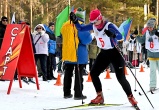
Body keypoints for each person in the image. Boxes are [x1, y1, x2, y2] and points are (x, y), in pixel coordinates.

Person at [70, 9, 138, 106]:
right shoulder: (93, 25)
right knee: (93, 73)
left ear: (100, 18)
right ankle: (99, 96)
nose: (94, 24)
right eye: (92, 22)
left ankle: (131, 97)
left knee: (120, 77)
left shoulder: (109, 25)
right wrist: (75, 21)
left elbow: (120, 36)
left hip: (115, 53)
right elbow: (80, 28)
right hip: (104, 53)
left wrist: (113, 35)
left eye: (95, 21)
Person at [61, 7, 92, 100]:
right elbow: (87, 40)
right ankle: (78, 93)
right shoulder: (81, 26)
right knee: (78, 74)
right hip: (79, 54)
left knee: (68, 74)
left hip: (67, 54)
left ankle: (66, 92)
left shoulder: (65, 25)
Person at [135, 18, 159, 91]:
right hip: (151, 55)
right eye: (148, 27)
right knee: (152, 71)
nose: (149, 29)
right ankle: (152, 85)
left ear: (154, 26)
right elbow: (142, 40)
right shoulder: (147, 33)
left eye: (151, 27)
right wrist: (136, 36)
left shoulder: (157, 32)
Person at [0, 16, 8, 81]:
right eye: (4, 20)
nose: (5, 22)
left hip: (6, 46)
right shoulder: (1, 28)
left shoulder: (8, 27)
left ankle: (4, 74)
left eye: (6, 20)